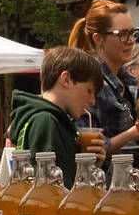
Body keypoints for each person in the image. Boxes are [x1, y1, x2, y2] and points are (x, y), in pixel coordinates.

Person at [9, 46, 107, 187]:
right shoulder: (46, 121)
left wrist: (88, 164)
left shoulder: (41, 118)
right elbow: (52, 188)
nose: (92, 101)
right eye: (89, 90)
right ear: (66, 79)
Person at [67, 0, 139, 155]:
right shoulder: (89, 82)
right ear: (98, 38)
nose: (131, 41)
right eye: (122, 34)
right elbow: (89, 149)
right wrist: (135, 132)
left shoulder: (127, 79)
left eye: (132, 33)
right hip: (104, 177)